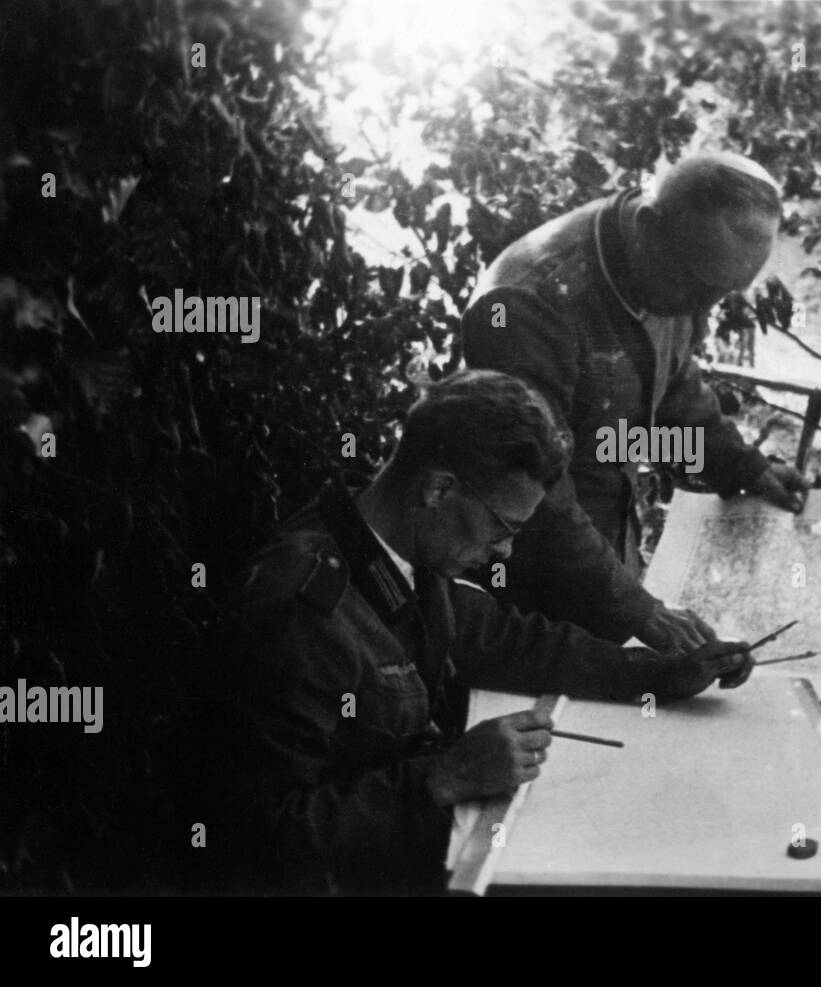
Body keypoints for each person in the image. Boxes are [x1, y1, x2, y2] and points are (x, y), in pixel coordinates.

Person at [189, 369, 752, 894]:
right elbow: (250, 843)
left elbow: (514, 642)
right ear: (438, 490)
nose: (504, 551)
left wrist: (661, 673)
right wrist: (442, 777)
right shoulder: (302, 610)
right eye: (502, 527)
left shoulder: (397, 554)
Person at [461, 151, 809, 656]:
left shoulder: (670, 266)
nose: (705, 312)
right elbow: (534, 486)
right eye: (700, 286)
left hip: (602, 557)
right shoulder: (526, 304)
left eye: (724, 294)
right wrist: (636, 610)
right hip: (515, 579)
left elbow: (661, 402)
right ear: (648, 227)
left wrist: (743, 468)